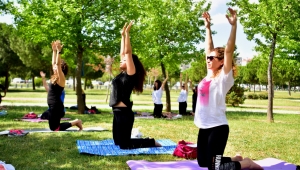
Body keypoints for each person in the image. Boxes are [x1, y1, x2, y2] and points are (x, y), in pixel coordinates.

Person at [194, 9, 263, 170]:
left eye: (212, 58)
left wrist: (234, 26)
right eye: (207, 58)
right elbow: (208, 47)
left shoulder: (224, 78)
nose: (208, 60)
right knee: (203, 163)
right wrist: (208, 28)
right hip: (204, 126)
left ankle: (246, 163)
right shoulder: (208, 75)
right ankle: (235, 159)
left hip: (218, 127)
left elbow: (229, 50)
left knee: (214, 167)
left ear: (221, 62)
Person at [109, 21, 161, 149]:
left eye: (124, 60)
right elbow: (123, 53)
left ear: (130, 63)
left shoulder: (130, 74)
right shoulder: (122, 74)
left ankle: (151, 142)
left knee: (124, 145)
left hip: (124, 113)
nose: (121, 60)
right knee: (117, 142)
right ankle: (134, 140)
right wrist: (122, 36)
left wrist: (127, 34)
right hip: (116, 112)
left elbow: (127, 52)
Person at [47, 40, 82, 131]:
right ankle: (76, 122)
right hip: (52, 106)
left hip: (56, 106)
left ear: (61, 69)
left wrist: (59, 51)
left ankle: (76, 122)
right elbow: (54, 63)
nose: (54, 66)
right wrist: (54, 51)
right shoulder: (55, 77)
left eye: (56, 66)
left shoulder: (61, 78)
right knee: (53, 128)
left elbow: (57, 64)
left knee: (55, 129)